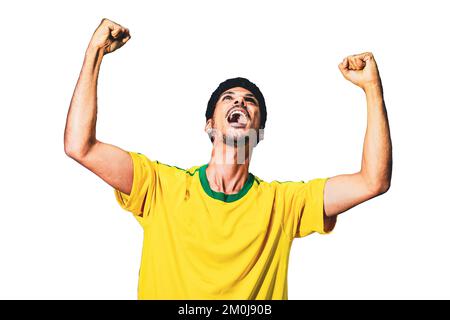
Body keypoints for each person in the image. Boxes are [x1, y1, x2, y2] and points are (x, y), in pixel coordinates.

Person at [64, 18, 392, 300]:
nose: (240, 103)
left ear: (259, 130)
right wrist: (94, 53)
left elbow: (372, 181)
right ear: (210, 124)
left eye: (250, 102)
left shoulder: (283, 204)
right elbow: (81, 146)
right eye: (229, 99)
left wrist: (372, 88)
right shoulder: (161, 188)